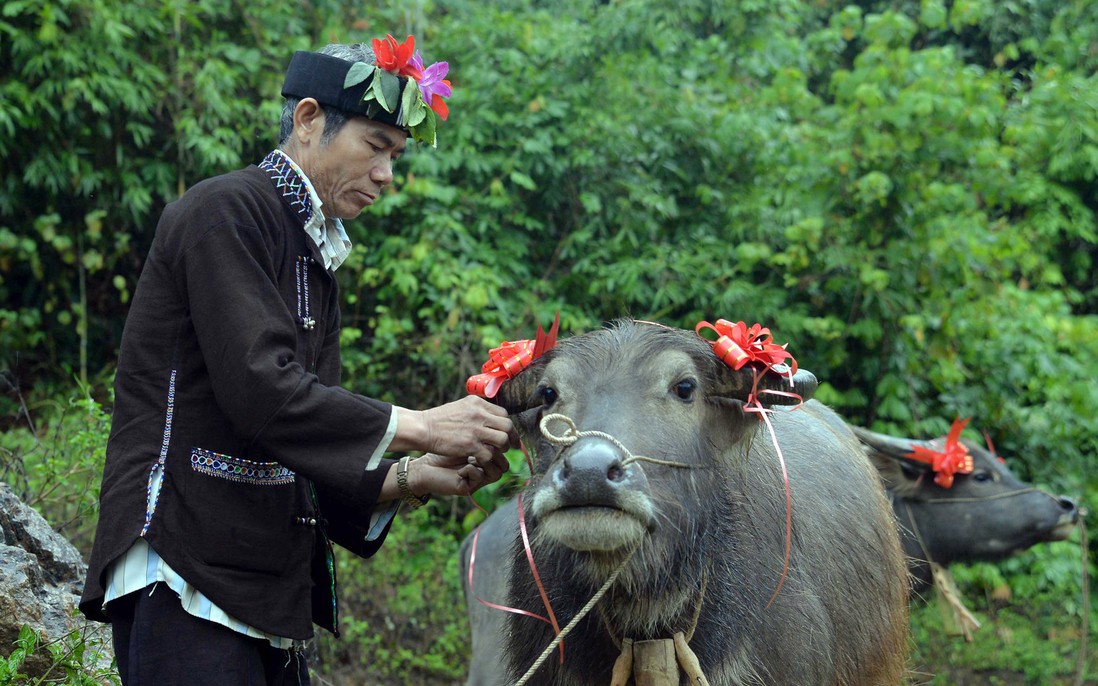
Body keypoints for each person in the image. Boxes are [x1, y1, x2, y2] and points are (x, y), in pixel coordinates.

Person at [79, 35, 515, 685]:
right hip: (181, 570)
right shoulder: (224, 211)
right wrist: (425, 423)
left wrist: (417, 476)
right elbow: (262, 390)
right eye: (375, 146)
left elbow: (303, 445)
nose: (387, 175)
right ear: (309, 120)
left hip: (257, 586)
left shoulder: (317, 260)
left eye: (395, 156)